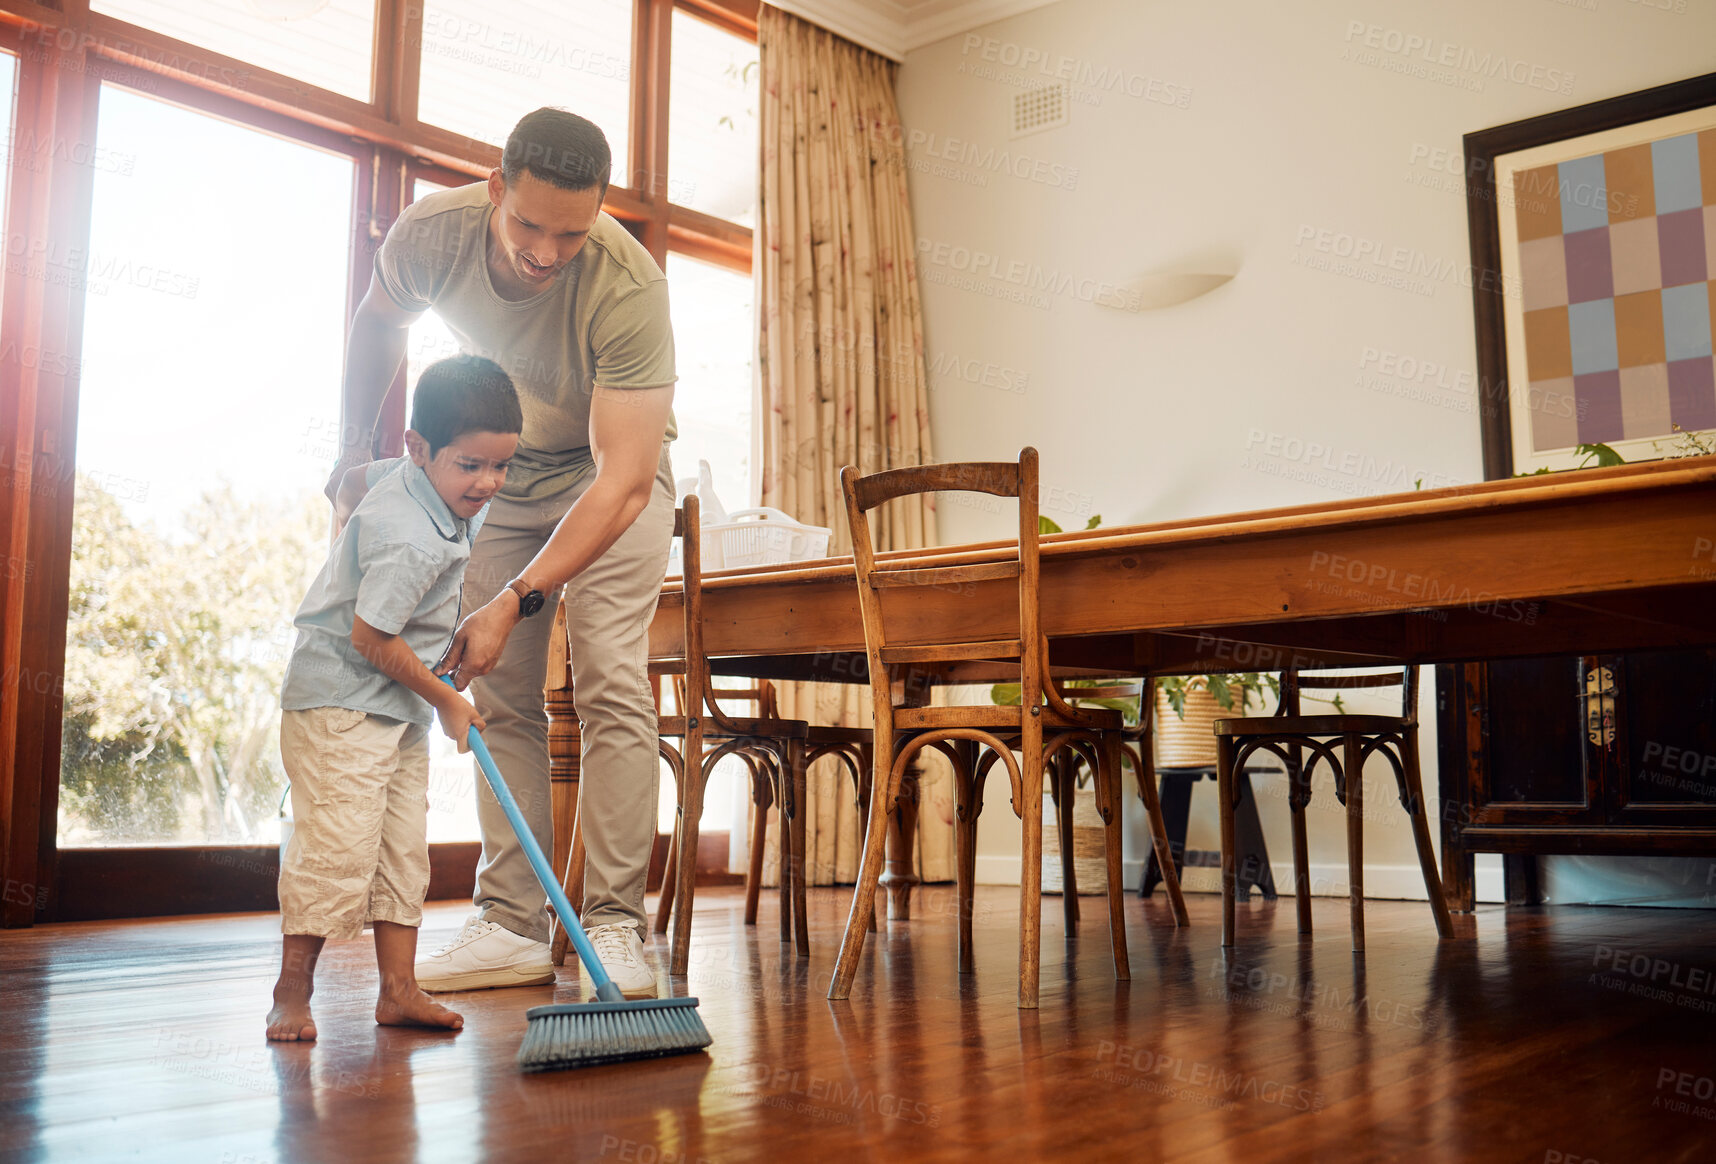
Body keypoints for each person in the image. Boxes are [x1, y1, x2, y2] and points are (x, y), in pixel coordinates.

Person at [326, 107, 677, 999]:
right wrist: (349, 460)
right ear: (495, 189)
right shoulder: (433, 236)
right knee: (501, 695)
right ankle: (514, 925)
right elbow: (377, 328)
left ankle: (616, 924)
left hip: (609, 479)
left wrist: (514, 596)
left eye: (573, 229)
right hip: (509, 477)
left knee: (607, 678)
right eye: (529, 224)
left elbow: (626, 478)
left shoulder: (627, 283)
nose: (548, 250)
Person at [268, 354, 523, 1042]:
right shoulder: (409, 538)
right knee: (336, 850)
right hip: (341, 702)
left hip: (394, 701)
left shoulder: (419, 480)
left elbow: (355, 479)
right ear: (420, 448)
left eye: (501, 465)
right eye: (471, 465)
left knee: (402, 849)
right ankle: (291, 995)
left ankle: (399, 992)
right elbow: (370, 638)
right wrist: (446, 698)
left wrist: (348, 514)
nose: (489, 483)